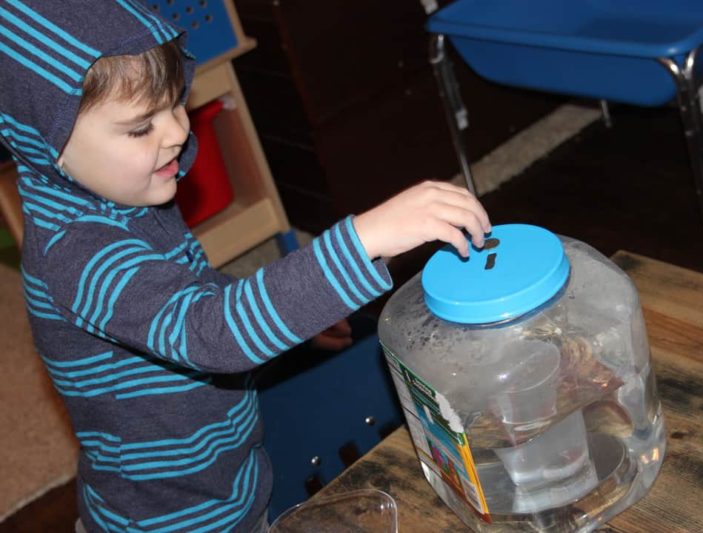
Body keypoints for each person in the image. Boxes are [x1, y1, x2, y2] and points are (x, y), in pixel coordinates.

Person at [0, 1, 491, 531]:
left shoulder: (124, 194)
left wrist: (300, 319)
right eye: (141, 127)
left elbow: (193, 293)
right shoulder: (76, 254)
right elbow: (207, 332)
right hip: (169, 521)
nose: (176, 132)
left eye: (174, 103)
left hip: (232, 487)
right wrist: (362, 238)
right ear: (47, 144)